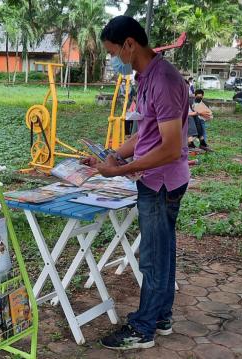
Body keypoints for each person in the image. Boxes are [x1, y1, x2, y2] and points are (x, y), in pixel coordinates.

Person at [85, 15, 189, 350]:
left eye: (113, 52)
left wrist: (118, 171)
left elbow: (171, 147)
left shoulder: (164, 81)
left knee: (154, 257)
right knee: (163, 252)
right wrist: (114, 154)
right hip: (155, 179)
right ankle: (161, 316)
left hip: (160, 183)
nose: (113, 60)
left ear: (130, 44)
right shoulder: (146, 77)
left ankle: (143, 330)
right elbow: (146, 136)